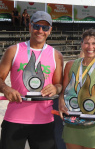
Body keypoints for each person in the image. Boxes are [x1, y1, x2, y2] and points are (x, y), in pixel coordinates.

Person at [0, 11, 63, 149]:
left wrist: (55, 88)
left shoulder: (56, 55)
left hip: (44, 120)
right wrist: (5, 88)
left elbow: (59, 84)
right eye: (36, 26)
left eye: (45, 28)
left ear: (50, 30)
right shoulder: (13, 50)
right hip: (14, 119)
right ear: (30, 26)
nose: (40, 31)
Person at [59, 29, 95, 149]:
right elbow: (63, 92)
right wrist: (61, 103)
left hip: (92, 124)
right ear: (81, 44)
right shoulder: (70, 65)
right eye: (87, 43)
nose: (90, 47)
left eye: (94, 43)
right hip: (72, 122)